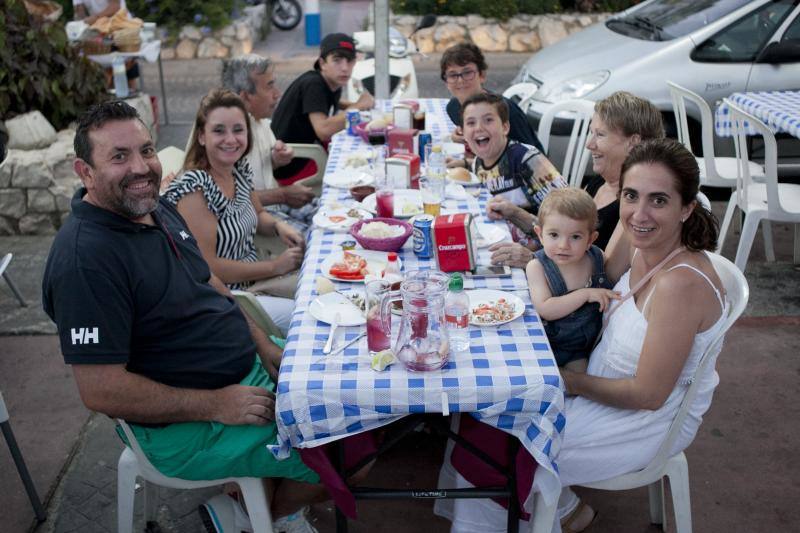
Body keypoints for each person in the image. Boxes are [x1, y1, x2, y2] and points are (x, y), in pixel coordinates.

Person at [41, 100, 326, 531]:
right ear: (85, 172)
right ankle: (255, 515)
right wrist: (216, 404)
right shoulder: (86, 260)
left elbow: (207, 278)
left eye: (146, 150)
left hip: (243, 371)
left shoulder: (152, 208)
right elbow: (101, 391)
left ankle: (247, 510)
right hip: (186, 425)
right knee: (343, 447)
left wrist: (261, 343)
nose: (141, 168)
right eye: (119, 157)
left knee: (345, 392)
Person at [443, 138, 728, 532]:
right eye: (631, 195)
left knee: (498, 436)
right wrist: (538, 259)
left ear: (687, 208)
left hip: (639, 419)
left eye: (658, 200)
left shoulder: (680, 284)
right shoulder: (641, 239)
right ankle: (562, 510)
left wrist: (568, 381)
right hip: (596, 382)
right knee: (481, 410)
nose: (639, 213)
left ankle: (542, 512)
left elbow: (647, 395)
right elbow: (591, 274)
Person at [164, 89, 304, 334]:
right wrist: (275, 267)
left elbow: (258, 215)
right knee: (304, 316)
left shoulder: (237, 171)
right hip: (225, 299)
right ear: (201, 137)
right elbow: (207, 267)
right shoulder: (196, 188)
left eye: (238, 130)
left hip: (255, 282)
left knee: (320, 288)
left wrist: (278, 227)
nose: (231, 139)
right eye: (219, 130)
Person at [461, 92, 567, 268]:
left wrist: (515, 213)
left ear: (505, 127)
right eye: (471, 123)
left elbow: (567, 218)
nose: (478, 127)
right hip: (502, 245)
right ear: (463, 133)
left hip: (541, 258)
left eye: (488, 120)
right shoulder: (478, 163)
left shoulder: (527, 160)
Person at [221, 54, 318, 233]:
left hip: (275, 206)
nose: (277, 94)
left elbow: (257, 167)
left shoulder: (259, 120)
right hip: (251, 220)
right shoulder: (227, 137)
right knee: (316, 239)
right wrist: (283, 194)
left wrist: (276, 158)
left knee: (333, 213)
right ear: (246, 96)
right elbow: (226, 199)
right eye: (269, 86)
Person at [526, 188, 618, 372]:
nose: (563, 245)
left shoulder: (596, 258)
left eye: (575, 237)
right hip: (546, 345)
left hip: (581, 350)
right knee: (541, 379)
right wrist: (585, 294)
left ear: (591, 239)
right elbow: (546, 309)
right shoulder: (537, 267)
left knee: (577, 385)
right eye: (554, 235)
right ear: (540, 234)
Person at [271, 33, 374, 185]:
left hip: (307, 152)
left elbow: (333, 102)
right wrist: (358, 106)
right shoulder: (314, 84)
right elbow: (324, 131)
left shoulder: (331, 81)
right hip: (292, 166)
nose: (345, 68)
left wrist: (356, 104)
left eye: (350, 61)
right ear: (322, 63)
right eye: (337, 60)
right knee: (357, 172)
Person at [584, 91, 664, 250]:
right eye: (591, 133)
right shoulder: (599, 182)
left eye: (600, 135)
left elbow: (606, 269)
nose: (589, 144)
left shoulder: (635, 203)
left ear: (633, 142)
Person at [441, 43, 544, 156]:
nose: (460, 80)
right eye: (452, 75)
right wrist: (462, 136)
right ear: (446, 82)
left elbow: (533, 155)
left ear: (482, 75)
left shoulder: (506, 111)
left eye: (467, 72)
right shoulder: (453, 108)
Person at [73, 0, 139, 90]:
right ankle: (110, 95)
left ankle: (132, 94)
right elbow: (79, 10)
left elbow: (115, 6)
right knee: (106, 76)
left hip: (122, 28)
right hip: (101, 31)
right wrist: (83, 23)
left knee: (126, 71)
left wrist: (95, 18)